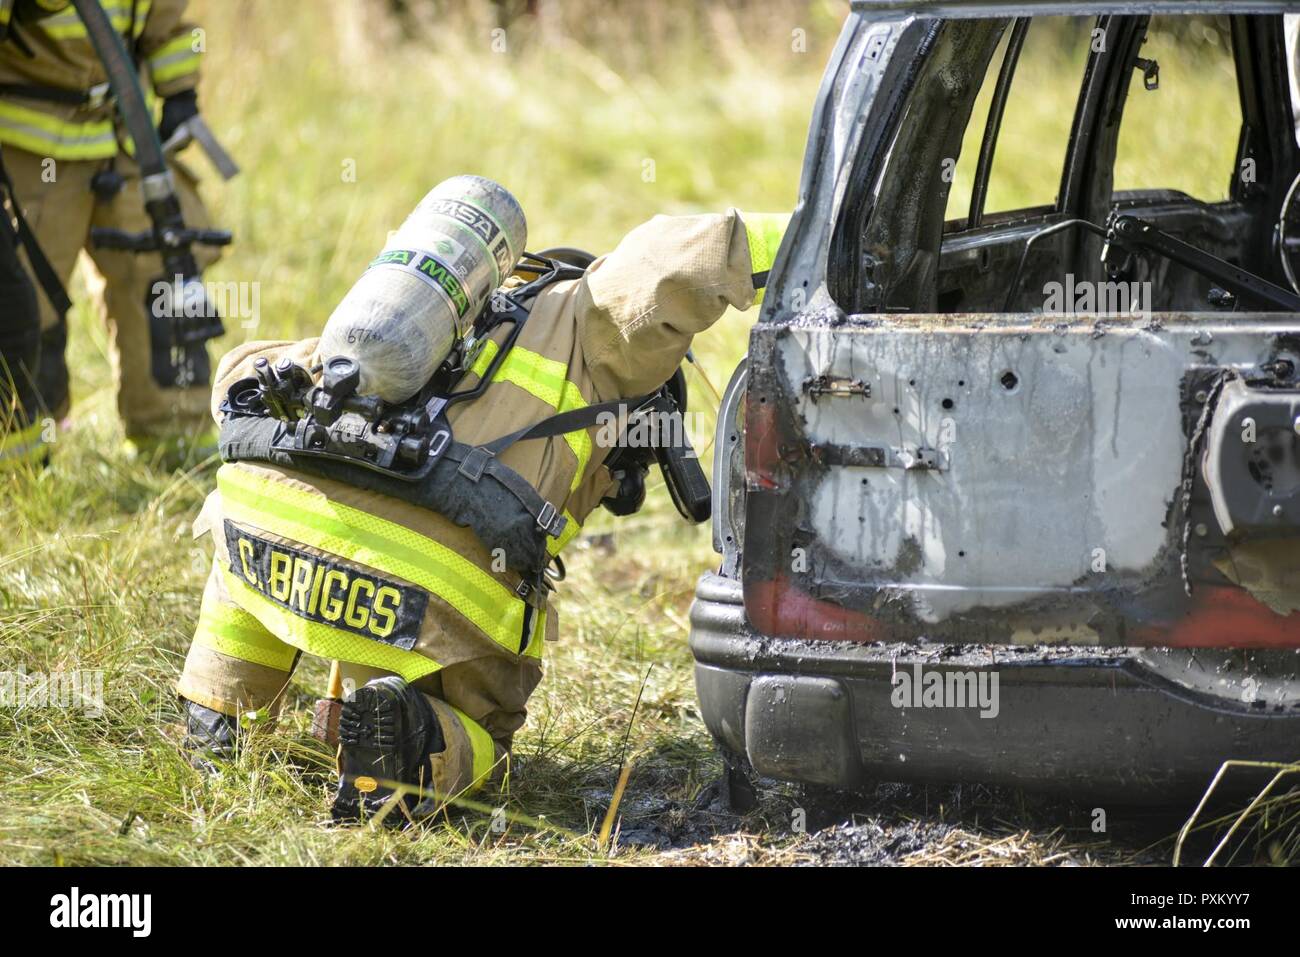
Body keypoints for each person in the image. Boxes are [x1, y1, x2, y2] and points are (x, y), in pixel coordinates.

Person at [175, 205, 788, 823]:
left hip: (262, 517)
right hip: (426, 583)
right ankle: (407, 744)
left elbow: (241, 377)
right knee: (483, 732)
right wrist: (825, 233)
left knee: (248, 568)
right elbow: (679, 254)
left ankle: (218, 712)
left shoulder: (429, 311)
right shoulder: (601, 322)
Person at [0, 0, 220, 467]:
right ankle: (19, 456)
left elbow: (167, 22)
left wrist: (180, 93)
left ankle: (177, 443)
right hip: (32, 151)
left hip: (124, 139)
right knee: (24, 300)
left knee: (160, 282)